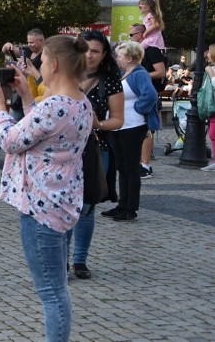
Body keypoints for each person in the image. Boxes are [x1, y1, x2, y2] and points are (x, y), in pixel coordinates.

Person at [0, 36, 93, 342]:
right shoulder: (80, 102)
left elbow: (11, 141)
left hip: (40, 207)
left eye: (42, 62)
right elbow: (43, 130)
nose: (39, 67)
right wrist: (26, 97)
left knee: (52, 292)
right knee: (57, 288)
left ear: (55, 64)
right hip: (62, 201)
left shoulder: (56, 106)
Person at [67, 30, 125, 280]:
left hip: (94, 148)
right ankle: (61, 259)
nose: (89, 55)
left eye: (96, 51)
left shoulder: (110, 80)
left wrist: (98, 124)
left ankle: (80, 260)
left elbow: (118, 120)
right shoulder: (65, 75)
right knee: (64, 205)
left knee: (86, 207)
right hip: (64, 149)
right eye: (86, 49)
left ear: (103, 56)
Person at [102, 41, 159, 222]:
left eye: (119, 55)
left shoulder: (139, 74)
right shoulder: (125, 73)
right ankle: (122, 204)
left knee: (130, 168)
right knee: (122, 167)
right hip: (120, 126)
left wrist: (138, 109)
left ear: (129, 57)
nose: (117, 58)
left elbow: (150, 95)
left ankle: (130, 208)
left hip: (132, 126)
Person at [127, 24, 166, 179]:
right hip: (138, 93)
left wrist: (139, 76)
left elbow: (161, 72)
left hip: (148, 93)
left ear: (141, 34)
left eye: (132, 35)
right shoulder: (139, 53)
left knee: (146, 129)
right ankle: (139, 162)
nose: (130, 38)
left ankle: (145, 165)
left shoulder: (152, 50)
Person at [203, 43, 215, 172]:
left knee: (213, 133)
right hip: (212, 107)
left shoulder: (211, 70)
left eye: (209, 52)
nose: (207, 54)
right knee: (212, 134)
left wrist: (211, 73)